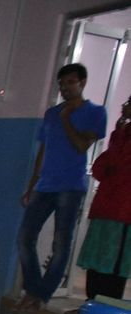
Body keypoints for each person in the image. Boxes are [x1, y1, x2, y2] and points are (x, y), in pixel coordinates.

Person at [17, 63, 107, 309]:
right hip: (45, 186)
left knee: (61, 242)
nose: (65, 88)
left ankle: (42, 294)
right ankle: (33, 289)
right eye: (62, 84)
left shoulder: (96, 112)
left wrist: (67, 119)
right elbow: (43, 149)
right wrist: (32, 184)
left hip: (71, 185)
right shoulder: (51, 113)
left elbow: (81, 145)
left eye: (70, 83)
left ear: (82, 83)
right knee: (25, 237)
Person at [77, 94, 131, 300]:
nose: (124, 107)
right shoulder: (121, 135)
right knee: (97, 260)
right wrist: (119, 131)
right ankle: (91, 304)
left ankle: (105, 307)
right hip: (106, 208)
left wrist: (120, 134)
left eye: (129, 104)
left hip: (124, 213)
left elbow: (117, 167)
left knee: (113, 266)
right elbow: (100, 168)